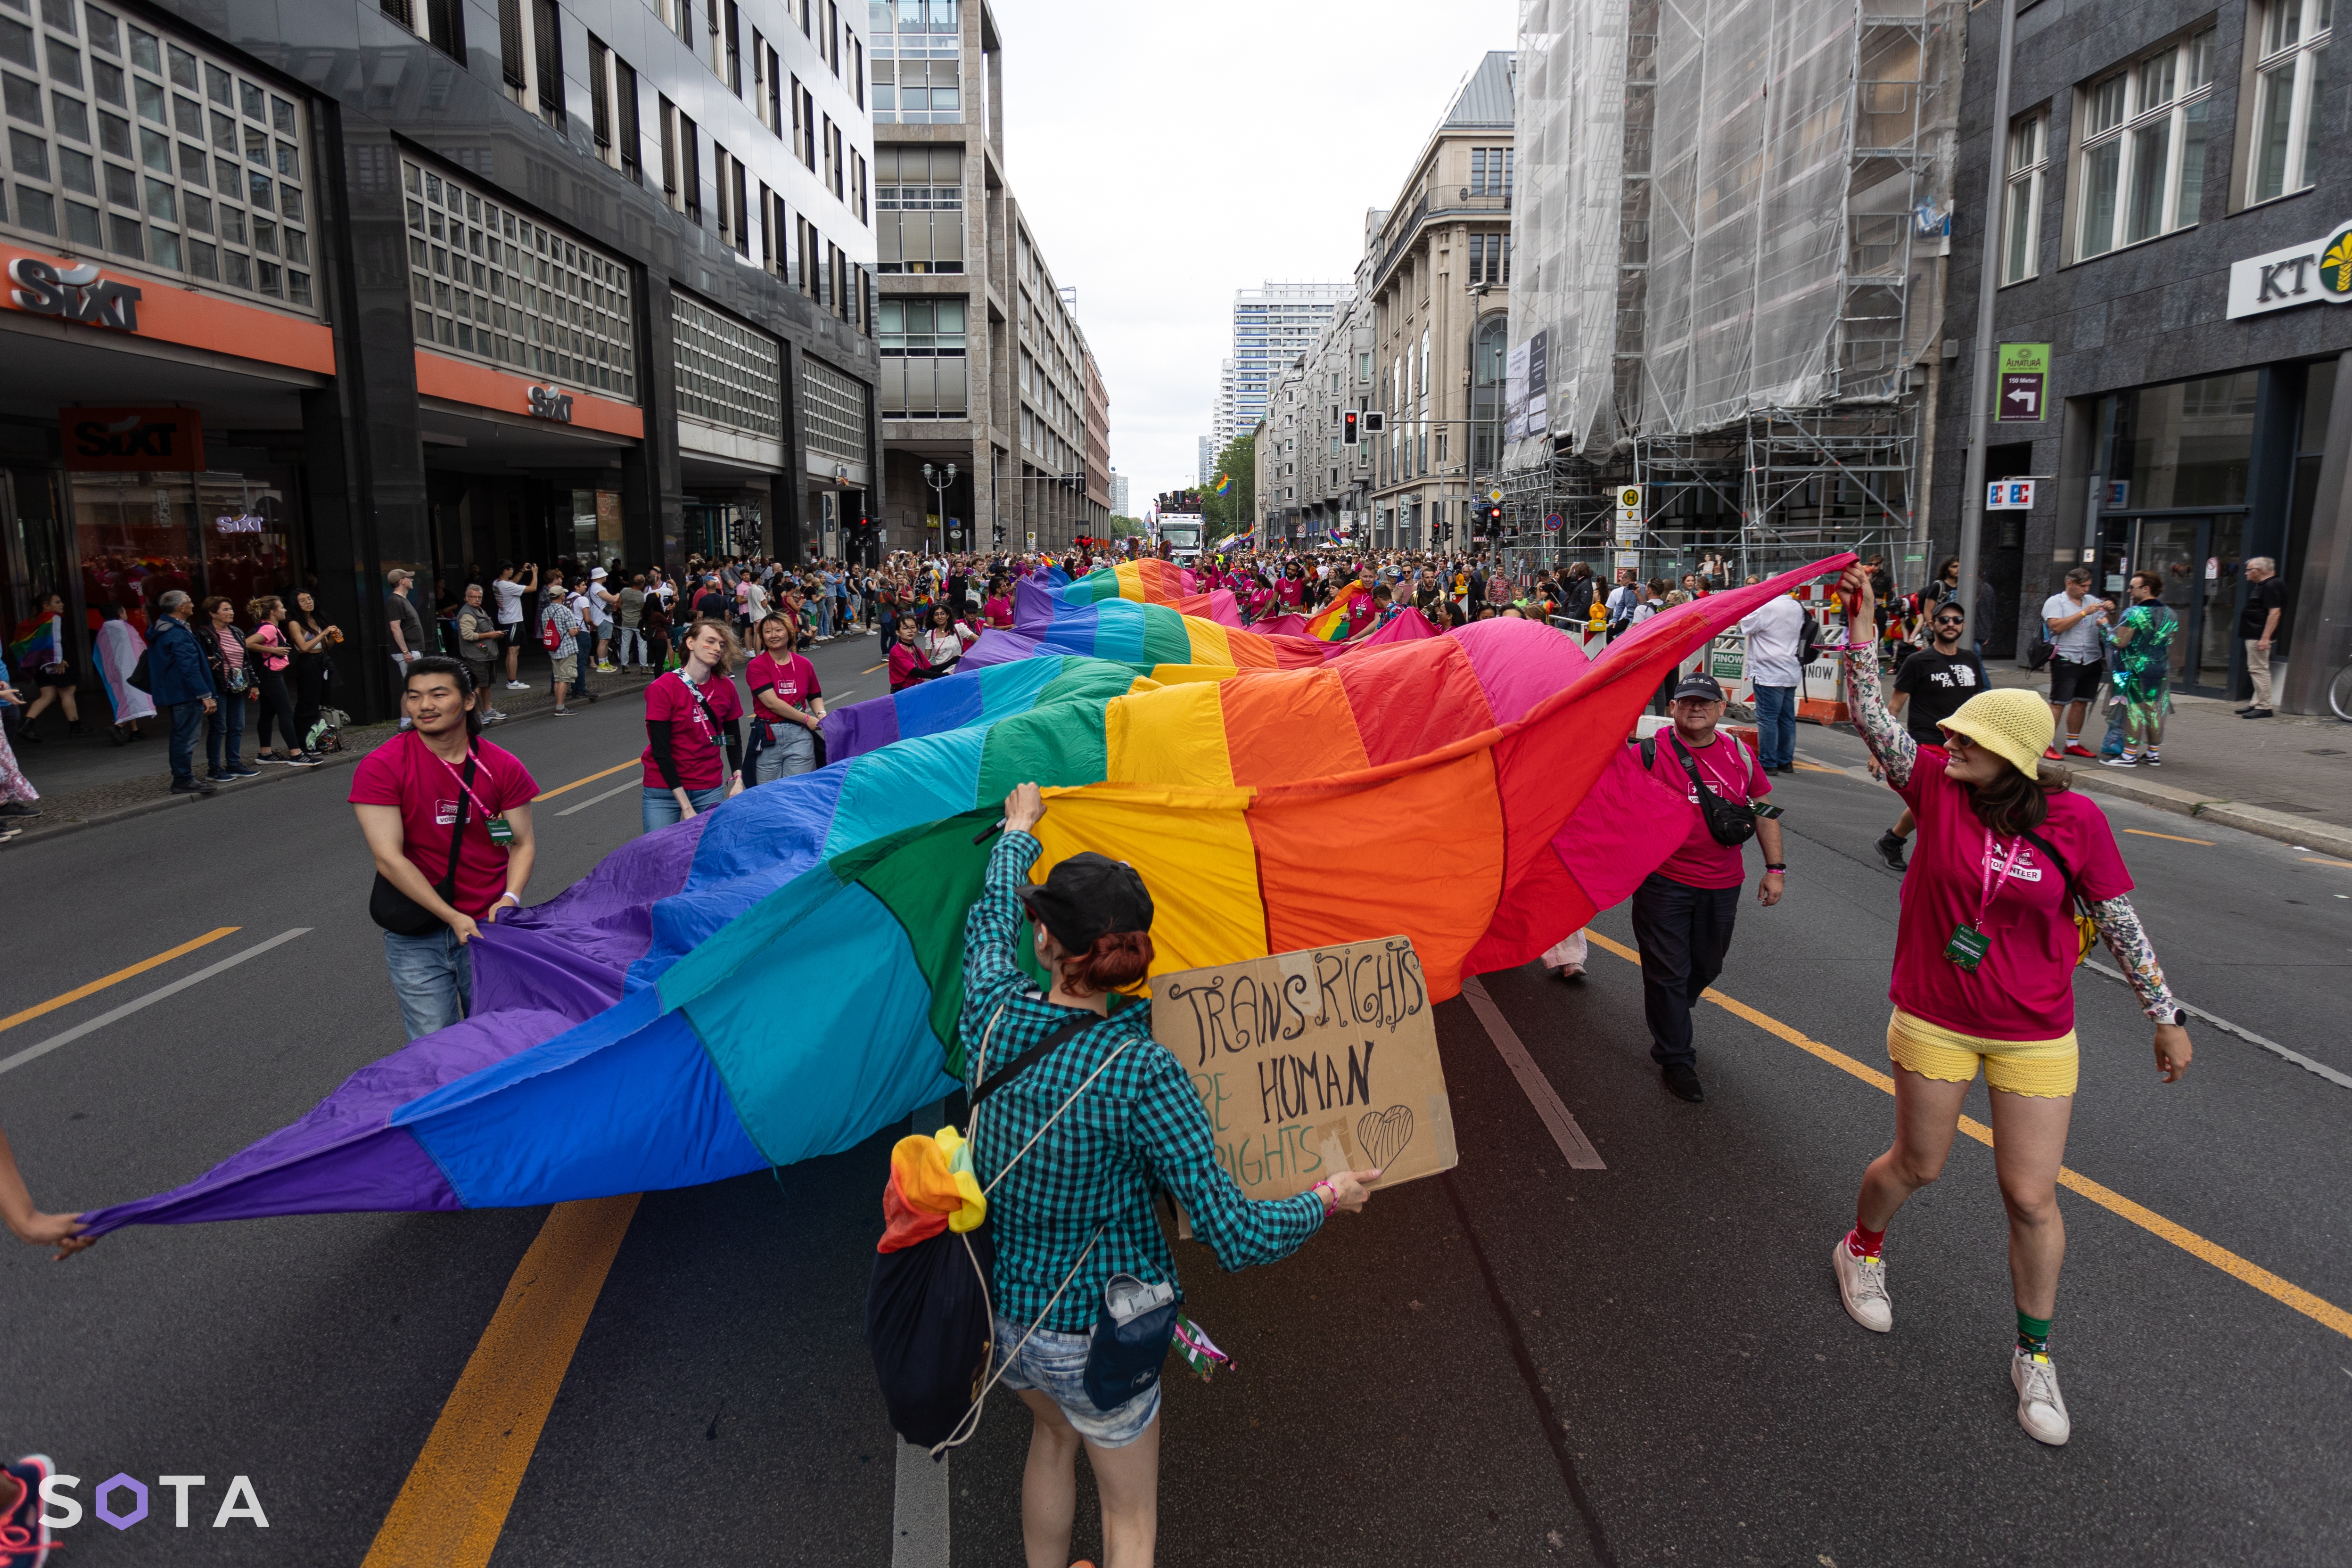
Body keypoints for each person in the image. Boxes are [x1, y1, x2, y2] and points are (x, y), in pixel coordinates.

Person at [963, 784, 1379, 1568]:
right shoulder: (1144, 1071)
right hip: (1109, 1337)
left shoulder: (989, 1012)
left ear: (1044, 938)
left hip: (1014, 1319)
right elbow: (1237, 1233)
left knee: (1050, 1441)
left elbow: (990, 921)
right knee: (1130, 1521)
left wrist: (1019, 833)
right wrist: (1329, 1196)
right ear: (1135, 951)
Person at [1832, 563, 2190, 1447]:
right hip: (1936, 1015)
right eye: (1950, 733)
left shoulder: (2079, 826)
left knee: (2031, 1196)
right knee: (1917, 1165)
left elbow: (2118, 922)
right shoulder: (1934, 786)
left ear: (2016, 759)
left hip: (2036, 1031)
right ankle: (1861, 1249)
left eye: (1968, 736)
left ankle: (2036, 1352)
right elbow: (1876, 717)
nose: (1947, 739)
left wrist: (2166, 1015)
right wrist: (1867, 624)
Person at [351, 657, 538, 1040]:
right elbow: (389, 858)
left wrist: (510, 897)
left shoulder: (502, 766)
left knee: (494, 1040)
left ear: (469, 701)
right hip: (415, 933)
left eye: (439, 694)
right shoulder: (382, 766)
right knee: (435, 1046)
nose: (424, 706)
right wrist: (450, 915)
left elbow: (520, 843)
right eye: (414, 696)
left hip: (487, 932)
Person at [1628, 672, 1785, 1102]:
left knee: (1707, 966)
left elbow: (1765, 807)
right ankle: (1676, 1057)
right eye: (1687, 701)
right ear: (1672, 708)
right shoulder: (1647, 754)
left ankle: (1674, 1006)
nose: (1696, 708)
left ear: (1720, 709)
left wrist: (1777, 868)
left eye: (1705, 702)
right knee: (1667, 973)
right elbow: (1608, 801)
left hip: (1723, 883)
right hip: (1663, 884)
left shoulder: (1740, 753)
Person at [1874, 602, 1988, 870]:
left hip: (1965, 745)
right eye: (1945, 619)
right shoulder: (1918, 661)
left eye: (1957, 619)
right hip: (1929, 742)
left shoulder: (1970, 659)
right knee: (1941, 802)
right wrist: (1878, 750)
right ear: (1932, 624)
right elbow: (1894, 708)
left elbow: (1979, 704)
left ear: (1963, 625)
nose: (1951, 624)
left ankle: (1893, 839)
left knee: (1946, 802)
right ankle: (1941, 858)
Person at [640, 618, 746, 831]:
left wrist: (738, 778)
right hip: (664, 790)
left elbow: (732, 739)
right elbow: (661, 751)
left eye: (722, 645)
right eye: (711, 642)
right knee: (660, 855)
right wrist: (686, 808)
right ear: (690, 643)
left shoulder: (726, 687)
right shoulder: (662, 688)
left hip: (708, 787)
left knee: (705, 856)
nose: (717, 648)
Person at [2102, 570, 2176, 768]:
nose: (2128, 591)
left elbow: (2120, 641)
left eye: (2133, 587)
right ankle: (2153, 753)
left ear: (2146, 589)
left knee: (2134, 710)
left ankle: (2128, 756)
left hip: (2135, 668)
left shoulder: (2133, 613)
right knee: (2154, 709)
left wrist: (2105, 627)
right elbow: (2169, 640)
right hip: (2159, 667)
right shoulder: (2170, 613)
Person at [744, 612, 824, 785]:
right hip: (768, 736)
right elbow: (772, 703)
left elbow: (815, 695)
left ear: (789, 632)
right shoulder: (756, 666)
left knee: (797, 791)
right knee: (768, 794)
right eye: (767, 632)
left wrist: (822, 715)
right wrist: (808, 719)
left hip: (800, 735)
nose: (773, 635)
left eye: (778, 630)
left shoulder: (804, 664)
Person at [2039, 568, 2109, 759]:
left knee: (2081, 703)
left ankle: (2072, 743)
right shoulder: (2055, 602)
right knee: (2058, 703)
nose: (2086, 590)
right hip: (2066, 657)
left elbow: (2104, 622)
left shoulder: (2092, 600)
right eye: (2082, 586)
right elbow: (2056, 626)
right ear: (2070, 583)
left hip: (2091, 657)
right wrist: (2084, 613)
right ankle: (2047, 744)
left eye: (2088, 586)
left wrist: (2108, 610)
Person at [1739, 589, 1807, 775]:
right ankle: (1786, 761)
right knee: (1787, 719)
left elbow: (1744, 626)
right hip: (1790, 669)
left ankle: (1768, 762)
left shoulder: (1766, 607)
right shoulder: (1796, 606)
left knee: (1768, 719)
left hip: (1768, 671)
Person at [243, 596, 311, 764]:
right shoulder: (270, 629)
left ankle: (265, 753)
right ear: (273, 612)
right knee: (286, 714)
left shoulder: (266, 627)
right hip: (271, 675)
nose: (285, 610)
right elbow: (247, 643)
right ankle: (296, 754)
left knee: (267, 714)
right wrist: (275, 650)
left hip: (266, 674)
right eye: (281, 607)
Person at [8, 591, 83, 739]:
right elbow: (54, 641)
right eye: (57, 602)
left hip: (40, 666)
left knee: (47, 696)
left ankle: (25, 726)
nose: (62, 605)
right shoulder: (53, 619)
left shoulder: (29, 623)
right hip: (56, 662)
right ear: (46, 606)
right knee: (67, 693)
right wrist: (58, 660)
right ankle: (76, 727)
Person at [196, 596, 255, 783]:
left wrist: (253, 684)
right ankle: (214, 768)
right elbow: (198, 661)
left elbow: (246, 661)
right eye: (225, 610)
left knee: (237, 726)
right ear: (213, 613)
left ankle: (234, 764)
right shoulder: (203, 635)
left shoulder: (237, 632)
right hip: (218, 686)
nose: (231, 613)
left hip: (238, 685)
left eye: (231, 609)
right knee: (219, 727)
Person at [286, 591, 341, 760]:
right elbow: (303, 647)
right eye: (303, 601)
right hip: (307, 662)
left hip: (322, 660)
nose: (308, 602)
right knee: (308, 703)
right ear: (297, 604)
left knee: (323, 703)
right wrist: (323, 633)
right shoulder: (295, 623)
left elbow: (326, 647)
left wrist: (333, 637)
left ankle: (322, 739)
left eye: (310, 599)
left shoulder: (317, 619)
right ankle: (303, 742)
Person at [91, 600, 155, 743]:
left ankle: (135, 731)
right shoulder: (125, 628)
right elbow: (138, 647)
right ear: (121, 614)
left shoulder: (104, 630)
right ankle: (117, 727)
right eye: (125, 612)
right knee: (134, 697)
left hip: (113, 670)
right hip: (130, 668)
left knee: (124, 698)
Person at [451, 583, 508, 724]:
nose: (477, 599)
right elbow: (468, 636)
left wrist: (495, 635)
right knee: (476, 686)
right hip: (475, 656)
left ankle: (488, 710)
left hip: (486, 655)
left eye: (479, 597)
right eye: (473, 597)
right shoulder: (467, 614)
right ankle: (477, 714)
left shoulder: (480, 610)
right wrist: (491, 635)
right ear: (466, 597)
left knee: (487, 684)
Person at [2237, 555, 2283, 719]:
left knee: (2259, 670)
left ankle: (2265, 707)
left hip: (2259, 635)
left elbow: (2275, 613)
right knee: (2256, 669)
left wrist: (2265, 638)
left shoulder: (2271, 586)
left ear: (2259, 571)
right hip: (2254, 633)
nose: (2246, 574)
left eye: (2249, 570)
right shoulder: (2264, 585)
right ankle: (2255, 703)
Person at [386, 569, 429, 714]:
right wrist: (405, 651)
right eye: (408, 578)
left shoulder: (402, 600)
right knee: (411, 687)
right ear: (402, 581)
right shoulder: (395, 601)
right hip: (407, 651)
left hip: (413, 650)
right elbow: (395, 627)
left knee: (414, 687)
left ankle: (411, 720)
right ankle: (406, 722)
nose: (412, 580)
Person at [539, 577, 583, 716]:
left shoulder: (546, 611)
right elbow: (572, 632)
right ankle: (560, 707)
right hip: (567, 649)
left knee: (558, 678)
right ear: (562, 596)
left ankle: (559, 705)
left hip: (554, 648)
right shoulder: (565, 611)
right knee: (565, 678)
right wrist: (578, 629)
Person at [491, 561, 537, 689]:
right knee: (513, 652)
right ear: (505, 571)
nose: (512, 572)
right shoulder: (506, 586)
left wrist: (522, 571)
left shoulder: (497, 583)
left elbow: (513, 582)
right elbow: (532, 588)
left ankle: (510, 680)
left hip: (505, 619)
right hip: (513, 621)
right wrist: (535, 573)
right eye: (511, 570)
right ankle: (512, 681)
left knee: (510, 651)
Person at [888, 616, 938, 691]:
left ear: (917, 630)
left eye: (913, 627)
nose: (910, 631)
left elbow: (931, 669)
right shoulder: (896, 651)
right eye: (905, 628)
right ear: (897, 632)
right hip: (903, 693)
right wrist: (943, 675)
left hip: (918, 690)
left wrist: (955, 660)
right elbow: (915, 672)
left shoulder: (916, 649)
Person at [616, 574, 650, 669]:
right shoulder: (643, 596)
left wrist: (625, 611)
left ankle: (625, 666)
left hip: (626, 622)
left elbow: (618, 605)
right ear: (642, 584)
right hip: (638, 622)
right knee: (642, 644)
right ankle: (644, 666)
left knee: (625, 644)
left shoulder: (624, 591)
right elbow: (643, 609)